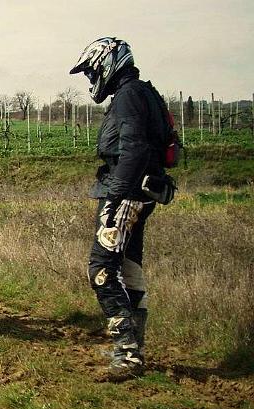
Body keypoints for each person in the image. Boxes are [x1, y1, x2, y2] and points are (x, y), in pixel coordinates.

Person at [69, 37, 169, 381]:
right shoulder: (144, 92)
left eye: (92, 71)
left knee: (101, 268)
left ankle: (126, 351)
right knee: (129, 266)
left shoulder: (128, 96)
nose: (91, 79)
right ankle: (134, 349)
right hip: (143, 192)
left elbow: (135, 148)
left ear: (108, 63)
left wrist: (116, 197)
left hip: (125, 193)